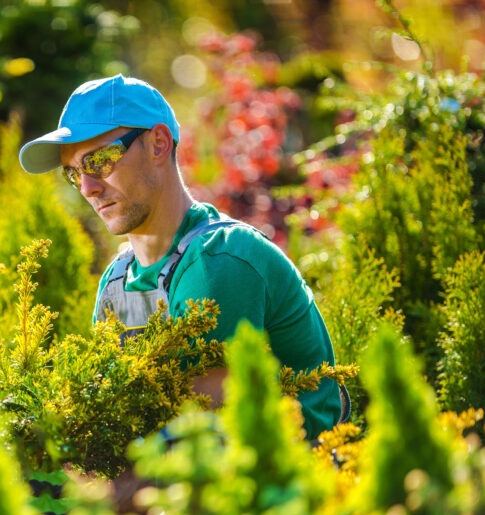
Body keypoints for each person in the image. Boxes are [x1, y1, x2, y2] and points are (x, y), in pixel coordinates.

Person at [18, 74, 344, 442]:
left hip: (293, 479)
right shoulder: (117, 279)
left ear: (158, 144)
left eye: (100, 159)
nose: (88, 187)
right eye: (73, 172)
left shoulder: (222, 258)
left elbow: (203, 434)